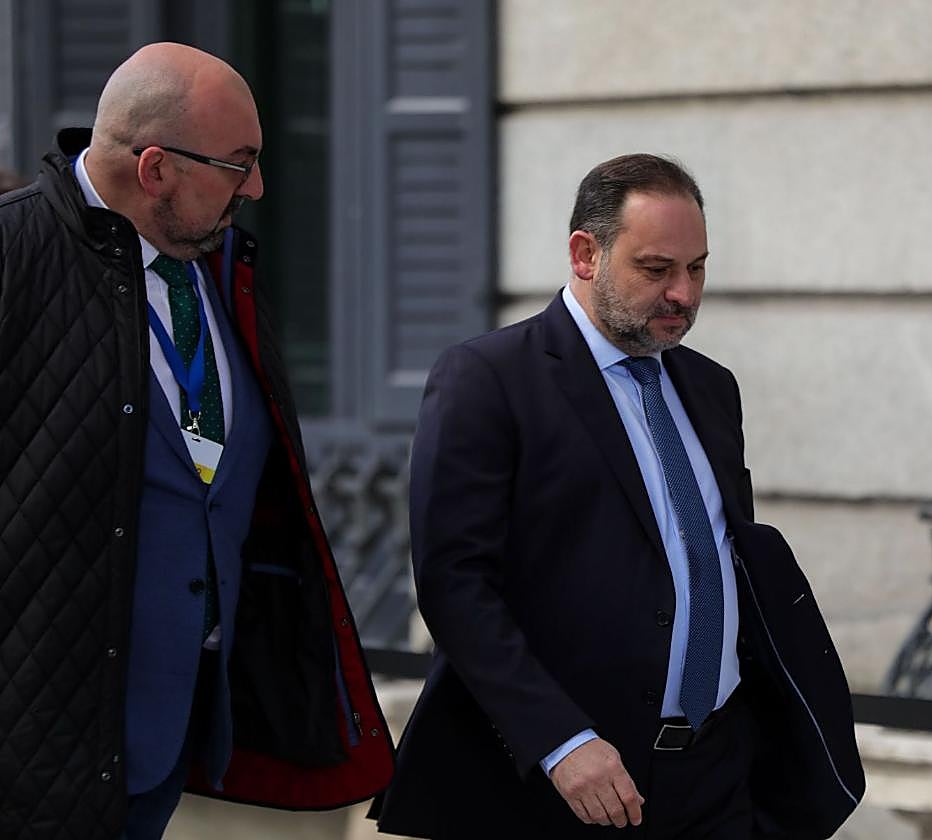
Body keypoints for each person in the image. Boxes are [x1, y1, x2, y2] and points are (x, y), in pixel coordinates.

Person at [371, 154, 865, 839]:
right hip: (567, 784)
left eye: (697, 268)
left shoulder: (712, 388)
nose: (684, 294)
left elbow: (714, 560)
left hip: (715, 774)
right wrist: (560, 742)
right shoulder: (487, 378)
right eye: (657, 269)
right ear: (585, 254)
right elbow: (455, 586)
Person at [0, 43, 393, 840]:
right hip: (26, 759)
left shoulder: (218, 270)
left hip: (162, 743)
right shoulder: (13, 254)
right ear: (155, 169)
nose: (255, 188)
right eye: (238, 163)